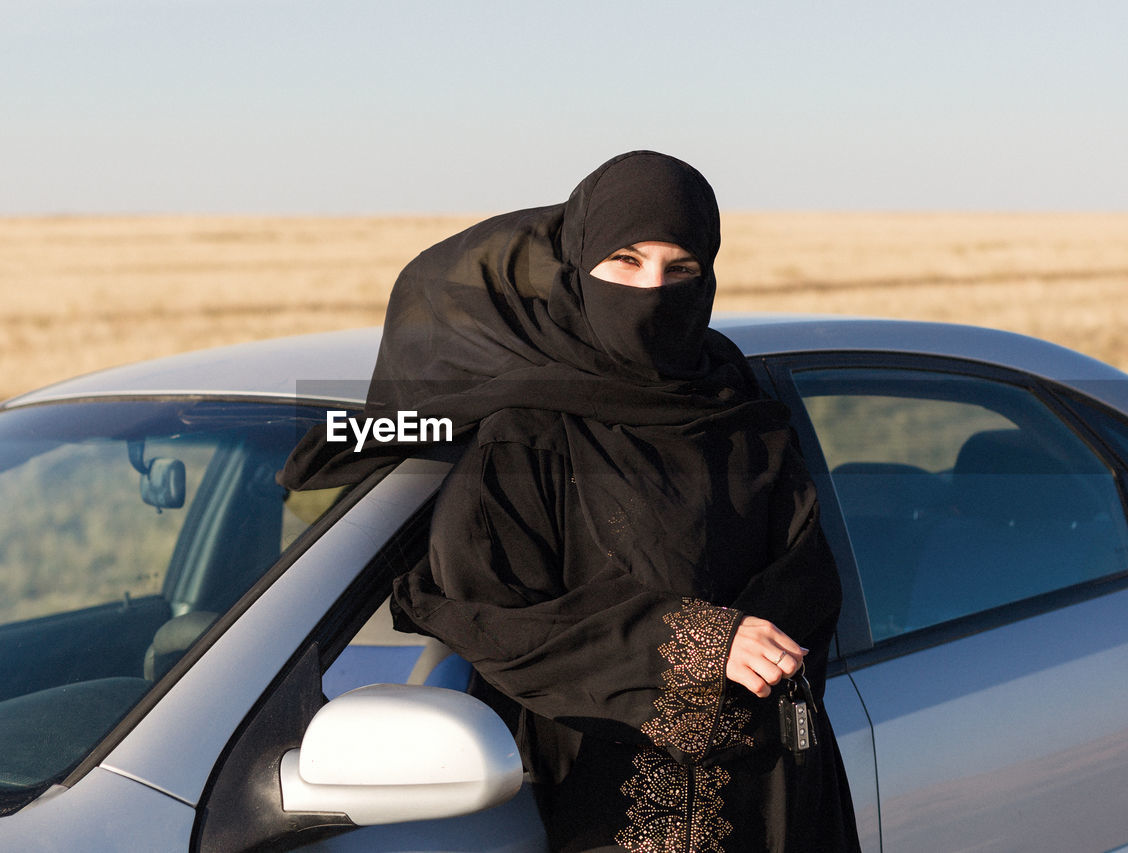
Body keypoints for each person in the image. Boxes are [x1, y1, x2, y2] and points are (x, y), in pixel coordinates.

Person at [280, 151, 860, 852]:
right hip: (595, 808)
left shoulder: (740, 412)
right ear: (578, 266)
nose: (653, 289)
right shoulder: (529, 430)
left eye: (681, 269)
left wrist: (752, 644)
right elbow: (492, 611)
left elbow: (809, 581)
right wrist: (702, 642)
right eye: (625, 260)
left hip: (775, 800)